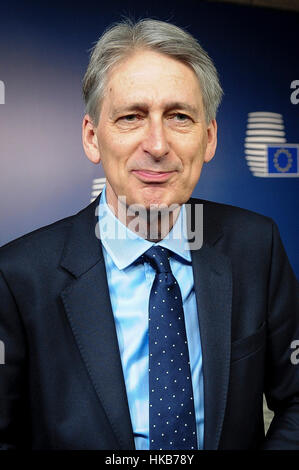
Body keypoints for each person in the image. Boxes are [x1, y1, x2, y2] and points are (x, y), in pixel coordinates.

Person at [0, 18, 298, 451]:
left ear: (209, 138)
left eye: (179, 117)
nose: (157, 145)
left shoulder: (256, 246)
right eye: (131, 117)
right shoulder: (17, 277)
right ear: (92, 137)